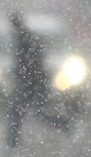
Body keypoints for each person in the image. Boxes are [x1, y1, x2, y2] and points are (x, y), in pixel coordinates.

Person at [6, 11, 70, 149]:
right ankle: (12, 143)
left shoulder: (27, 39)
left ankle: (66, 124)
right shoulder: (23, 38)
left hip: (34, 83)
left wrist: (25, 75)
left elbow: (33, 62)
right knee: (20, 112)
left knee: (37, 113)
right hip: (31, 83)